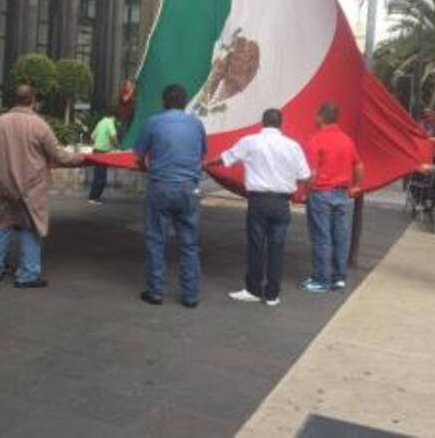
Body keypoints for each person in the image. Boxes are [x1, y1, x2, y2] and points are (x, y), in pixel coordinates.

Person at [0, 84, 84, 288]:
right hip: (31, 187)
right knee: (31, 227)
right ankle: (27, 275)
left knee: (1, 225)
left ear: (14, 100)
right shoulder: (39, 125)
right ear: (33, 101)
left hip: (1, 185)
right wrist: (81, 158)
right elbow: (57, 155)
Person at [205, 109, 311, 306]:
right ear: (281, 124)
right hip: (281, 202)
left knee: (256, 245)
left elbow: (226, 157)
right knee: (277, 248)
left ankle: (253, 289)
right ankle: (272, 295)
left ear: (262, 122)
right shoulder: (293, 146)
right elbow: (305, 176)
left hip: (258, 201)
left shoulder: (250, 142)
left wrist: (206, 163)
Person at [133, 84, 207, 308]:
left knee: (156, 240)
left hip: (161, 186)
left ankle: (156, 291)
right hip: (188, 188)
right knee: (189, 243)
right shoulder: (196, 124)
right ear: (185, 102)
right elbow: (202, 154)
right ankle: (190, 296)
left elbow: (138, 155)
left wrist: (147, 168)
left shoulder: (153, 122)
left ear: (164, 101)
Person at [299, 102, 364, 293]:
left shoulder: (316, 139)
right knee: (341, 237)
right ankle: (339, 277)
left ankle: (320, 279)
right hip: (342, 194)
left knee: (321, 237)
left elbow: (312, 171)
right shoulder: (347, 140)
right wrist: (356, 186)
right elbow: (359, 165)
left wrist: (305, 190)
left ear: (320, 117)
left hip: (321, 194)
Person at [87, 110, 118, 204]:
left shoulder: (100, 122)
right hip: (103, 151)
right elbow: (113, 135)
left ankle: (93, 196)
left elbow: (93, 136)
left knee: (97, 175)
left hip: (96, 150)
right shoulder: (110, 122)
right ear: (113, 117)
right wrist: (116, 145)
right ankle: (94, 198)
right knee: (101, 177)